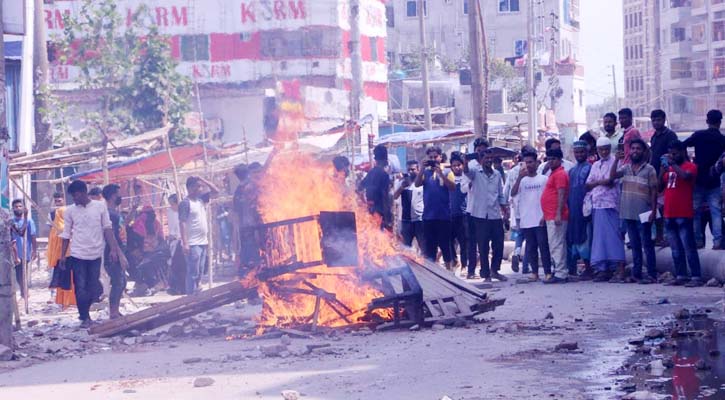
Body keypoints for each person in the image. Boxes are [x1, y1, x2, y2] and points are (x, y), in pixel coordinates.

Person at [59, 180, 127, 328]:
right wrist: (62, 255)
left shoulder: (100, 207)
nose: (74, 199)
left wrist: (114, 250)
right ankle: (85, 317)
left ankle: (86, 312)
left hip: (96, 254)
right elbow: (66, 234)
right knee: (80, 287)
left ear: (83, 192)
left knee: (93, 287)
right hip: (77, 254)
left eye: (76, 195)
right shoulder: (70, 211)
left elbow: (108, 230)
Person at [610, 139, 658, 284]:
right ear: (629, 151)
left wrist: (654, 211)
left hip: (644, 214)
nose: (635, 151)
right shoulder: (625, 168)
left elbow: (654, 192)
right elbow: (612, 177)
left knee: (647, 245)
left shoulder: (649, 170)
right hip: (628, 213)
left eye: (638, 149)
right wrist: (616, 161)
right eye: (633, 149)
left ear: (643, 152)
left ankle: (651, 274)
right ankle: (637, 274)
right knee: (635, 245)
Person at [464, 143, 509, 282]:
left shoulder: (496, 174)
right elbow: (465, 170)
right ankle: (486, 274)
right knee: (483, 246)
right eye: (486, 158)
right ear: (481, 160)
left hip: (495, 214)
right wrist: (465, 159)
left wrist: (505, 211)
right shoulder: (475, 173)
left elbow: (500, 194)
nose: (489, 160)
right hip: (480, 215)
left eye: (491, 158)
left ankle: (495, 270)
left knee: (499, 244)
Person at [661, 140, 703, 287]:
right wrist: (663, 168)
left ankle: (696, 276)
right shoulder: (670, 169)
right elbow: (661, 184)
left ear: (682, 152)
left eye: (674, 153)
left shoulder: (690, 166)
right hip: (669, 213)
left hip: (684, 213)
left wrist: (672, 164)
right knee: (675, 249)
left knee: (688, 246)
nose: (672, 156)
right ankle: (681, 275)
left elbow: (686, 177)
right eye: (670, 153)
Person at [683, 109, 725, 250]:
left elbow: (682, 145)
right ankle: (718, 242)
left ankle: (698, 241)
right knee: (716, 212)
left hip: (698, 180)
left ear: (707, 121)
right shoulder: (722, 139)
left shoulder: (699, 135)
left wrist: (688, 162)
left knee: (695, 213)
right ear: (720, 122)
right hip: (714, 181)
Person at [586, 137, 626, 282]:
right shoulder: (595, 165)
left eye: (606, 149)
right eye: (601, 149)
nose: (604, 152)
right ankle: (603, 269)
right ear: (597, 150)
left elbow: (610, 180)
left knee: (614, 237)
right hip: (597, 204)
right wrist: (599, 183)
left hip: (611, 204)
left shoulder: (616, 162)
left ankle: (619, 268)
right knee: (600, 238)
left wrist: (598, 183)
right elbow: (588, 184)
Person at [511, 151, 551, 282]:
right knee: (531, 247)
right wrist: (519, 178)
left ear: (536, 162)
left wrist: (545, 215)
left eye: (530, 162)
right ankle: (534, 272)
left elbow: (548, 198)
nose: (528, 165)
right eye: (525, 162)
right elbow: (513, 193)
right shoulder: (522, 181)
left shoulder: (544, 179)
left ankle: (547, 272)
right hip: (526, 219)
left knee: (543, 246)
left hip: (540, 218)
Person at [414, 147, 455, 269]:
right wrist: (421, 169)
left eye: (435, 157)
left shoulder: (448, 172)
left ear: (440, 157)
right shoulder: (425, 173)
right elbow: (416, 184)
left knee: (446, 247)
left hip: (444, 217)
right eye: (430, 157)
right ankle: (434, 272)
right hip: (428, 217)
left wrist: (441, 174)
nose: (433, 159)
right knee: (430, 249)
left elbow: (452, 187)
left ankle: (449, 271)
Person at [179, 176, 219, 295]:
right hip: (192, 243)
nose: (200, 189)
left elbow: (216, 191)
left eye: (201, 186)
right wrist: (185, 243)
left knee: (200, 271)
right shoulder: (185, 203)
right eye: (198, 186)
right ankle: (190, 297)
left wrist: (203, 179)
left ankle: (196, 294)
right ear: (190, 188)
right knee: (193, 272)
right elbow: (182, 222)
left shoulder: (201, 200)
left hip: (203, 242)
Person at [648, 109, 679, 246]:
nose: (656, 122)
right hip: (655, 174)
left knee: (666, 206)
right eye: (654, 120)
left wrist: (664, 171)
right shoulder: (654, 136)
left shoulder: (670, 135)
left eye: (658, 120)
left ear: (664, 119)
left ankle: (668, 237)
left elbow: (672, 155)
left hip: (667, 175)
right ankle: (659, 236)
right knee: (656, 206)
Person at [541, 148, 570, 283]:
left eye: (553, 159)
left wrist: (558, 213)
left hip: (556, 215)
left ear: (559, 160)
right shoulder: (553, 174)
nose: (550, 161)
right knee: (554, 244)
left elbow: (561, 194)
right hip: (550, 215)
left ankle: (561, 273)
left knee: (557, 244)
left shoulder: (560, 174)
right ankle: (558, 270)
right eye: (549, 159)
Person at [567, 141, 593, 280]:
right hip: (573, 208)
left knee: (586, 237)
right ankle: (575, 268)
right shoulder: (571, 170)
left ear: (586, 153)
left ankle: (589, 268)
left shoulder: (590, 168)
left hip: (585, 208)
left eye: (582, 152)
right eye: (577, 152)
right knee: (574, 237)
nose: (579, 155)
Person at [233, 163, 264, 275]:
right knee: (255, 256)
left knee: (251, 255)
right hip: (252, 228)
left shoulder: (238, 190)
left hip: (247, 228)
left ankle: (253, 276)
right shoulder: (249, 188)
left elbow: (236, 214)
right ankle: (254, 278)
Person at [102, 184, 127, 318]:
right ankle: (113, 312)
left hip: (118, 252)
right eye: (118, 194)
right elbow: (111, 235)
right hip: (113, 254)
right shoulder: (109, 214)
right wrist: (119, 254)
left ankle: (115, 311)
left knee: (122, 282)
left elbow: (122, 228)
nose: (120, 196)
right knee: (118, 282)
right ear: (112, 196)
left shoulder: (115, 213)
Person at [47, 204, 76, 309]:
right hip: (64, 257)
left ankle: (69, 302)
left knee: (70, 280)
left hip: (68, 256)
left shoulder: (66, 226)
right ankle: (66, 302)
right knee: (66, 280)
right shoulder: (59, 228)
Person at [359, 144, 392, 230]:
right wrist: (388, 216)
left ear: (375, 159)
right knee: (381, 237)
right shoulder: (384, 175)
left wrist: (364, 203)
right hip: (379, 212)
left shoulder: (371, 173)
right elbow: (384, 196)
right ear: (385, 158)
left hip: (370, 210)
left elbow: (359, 188)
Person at [393, 160, 425, 250]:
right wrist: (402, 187)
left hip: (420, 220)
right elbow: (395, 197)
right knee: (406, 249)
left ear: (418, 170)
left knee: (423, 248)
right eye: (409, 170)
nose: (410, 172)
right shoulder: (401, 182)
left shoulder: (422, 183)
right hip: (406, 221)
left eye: (413, 169)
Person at [448, 152, 470, 275]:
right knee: (450, 241)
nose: (457, 167)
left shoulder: (466, 177)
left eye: (459, 165)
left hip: (463, 214)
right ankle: (454, 262)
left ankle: (464, 266)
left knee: (464, 242)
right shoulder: (448, 178)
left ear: (462, 165)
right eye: (454, 165)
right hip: (450, 214)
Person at [10, 199, 37, 298]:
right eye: (16, 207)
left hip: (25, 251)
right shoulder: (11, 222)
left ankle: (24, 291)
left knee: (23, 273)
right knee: (18, 274)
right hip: (14, 251)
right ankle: (23, 291)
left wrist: (34, 250)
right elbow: (20, 232)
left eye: (20, 206)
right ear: (12, 208)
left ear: (24, 208)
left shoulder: (29, 221)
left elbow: (33, 236)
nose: (18, 208)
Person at [166, 193, 186, 295]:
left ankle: (181, 287)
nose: (171, 206)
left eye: (172, 204)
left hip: (182, 242)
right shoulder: (171, 213)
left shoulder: (184, 212)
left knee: (179, 266)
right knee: (174, 266)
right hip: (174, 242)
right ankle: (176, 286)